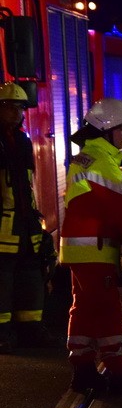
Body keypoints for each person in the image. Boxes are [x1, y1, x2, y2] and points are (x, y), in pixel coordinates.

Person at [60, 98, 122, 394]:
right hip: (95, 247)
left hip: (79, 247)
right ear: (106, 130)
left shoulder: (87, 157)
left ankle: (83, 370)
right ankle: (119, 373)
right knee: (106, 310)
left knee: (84, 309)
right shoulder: (102, 162)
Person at [0, 83, 50, 354]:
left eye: (19, 108)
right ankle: (3, 335)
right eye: (9, 107)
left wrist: (35, 221)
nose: (16, 112)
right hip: (2, 226)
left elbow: (26, 186)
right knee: (3, 283)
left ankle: (30, 331)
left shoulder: (21, 141)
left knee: (31, 277)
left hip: (24, 224)